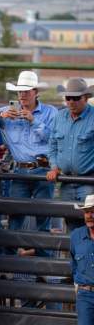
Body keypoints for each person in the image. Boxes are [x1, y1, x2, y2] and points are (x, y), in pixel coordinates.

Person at [0, 70, 57, 247]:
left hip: (43, 169)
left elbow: (54, 138)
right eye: (20, 91)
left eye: (26, 91)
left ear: (36, 92)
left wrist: (34, 121)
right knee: (15, 215)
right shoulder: (8, 111)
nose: (22, 95)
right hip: (19, 171)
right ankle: (8, 264)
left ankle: (43, 269)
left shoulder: (50, 112)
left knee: (43, 217)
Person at [46, 78, 94, 231]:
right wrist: (54, 167)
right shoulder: (59, 117)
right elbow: (52, 145)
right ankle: (76, 255)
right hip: (66, 181)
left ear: (85, 98)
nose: (71, 102)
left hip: (89, 181)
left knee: (90, 224)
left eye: (76, 98)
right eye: (68, 98)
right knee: (72, 225)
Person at [63, 194, 94, 325]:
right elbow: (73, 264)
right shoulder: (76, 236)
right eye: (86, 212)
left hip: (85, 292)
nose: (89, 215)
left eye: (92, 211)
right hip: (85, 294)